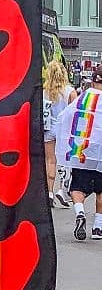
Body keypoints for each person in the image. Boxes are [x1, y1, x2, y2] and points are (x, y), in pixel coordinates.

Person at [55, 68, 102, 241]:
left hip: (82, 150)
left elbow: (65, 116)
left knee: (78, 186)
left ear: (94, 81)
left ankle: (80, 212)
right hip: (101, 152)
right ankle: (98, 226)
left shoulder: (85, 98)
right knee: (100, 189)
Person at [43, 60, 76, 208]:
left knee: (50, 161)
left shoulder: (44, 92)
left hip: (49, 128)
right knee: (65, 161)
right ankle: (61, 190)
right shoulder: (70, 91)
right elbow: (75, 113)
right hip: (65, 130)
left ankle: (49, 192)